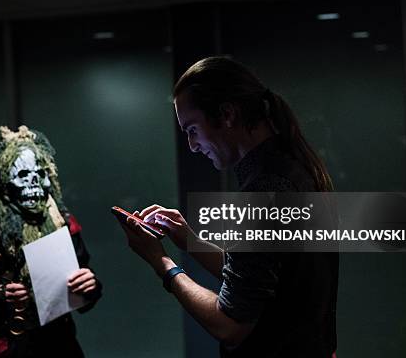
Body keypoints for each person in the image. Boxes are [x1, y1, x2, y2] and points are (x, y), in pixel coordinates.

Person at [120, 56, 338, 357]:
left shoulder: (264, 190)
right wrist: (190, 240)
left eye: (192, 129)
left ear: (227, 114)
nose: (192, 146)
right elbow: (259, 278)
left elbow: (230, 325)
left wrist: (161, 263)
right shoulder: (295, 168)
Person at [0, 125, 102, 358]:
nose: (33, 183)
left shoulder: (62, 224)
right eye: (23, 175)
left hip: (58, 346)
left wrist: (90, 286)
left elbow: (83, 288)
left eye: (40, 174)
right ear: (2, 183)